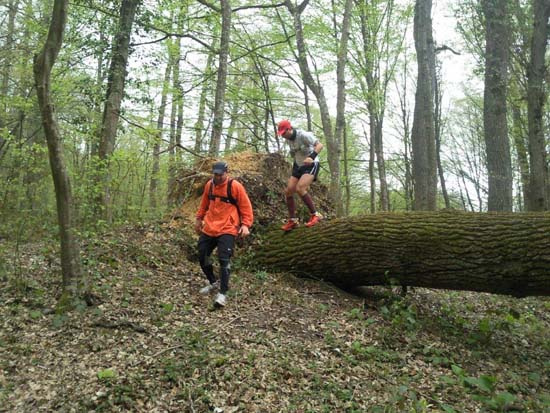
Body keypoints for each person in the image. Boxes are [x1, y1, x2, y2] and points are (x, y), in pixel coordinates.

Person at [194, 161, 253, 307]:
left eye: (220, 174)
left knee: (223, 259)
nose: (218, 177)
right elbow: (204, 204)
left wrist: (245, 225)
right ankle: (214, 282)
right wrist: (199, 218)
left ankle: (223, 293)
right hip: (210, 226)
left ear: (226, 173)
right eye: (215, 174)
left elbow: (246, 207)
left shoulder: (235, 186)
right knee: (202, 255)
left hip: (228, 226)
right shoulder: (210, 185)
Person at [277, 119, 324, 231]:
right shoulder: (288, 139)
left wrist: (311, 157)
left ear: (290, 129)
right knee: (289, 191)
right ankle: (293, 220)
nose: (283, 136)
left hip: (311, 164)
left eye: (284, 133)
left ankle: (316, 215)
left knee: (300, 188)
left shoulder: (303, 135)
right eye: (281, 134)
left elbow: (320, 145)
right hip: (298, 165)